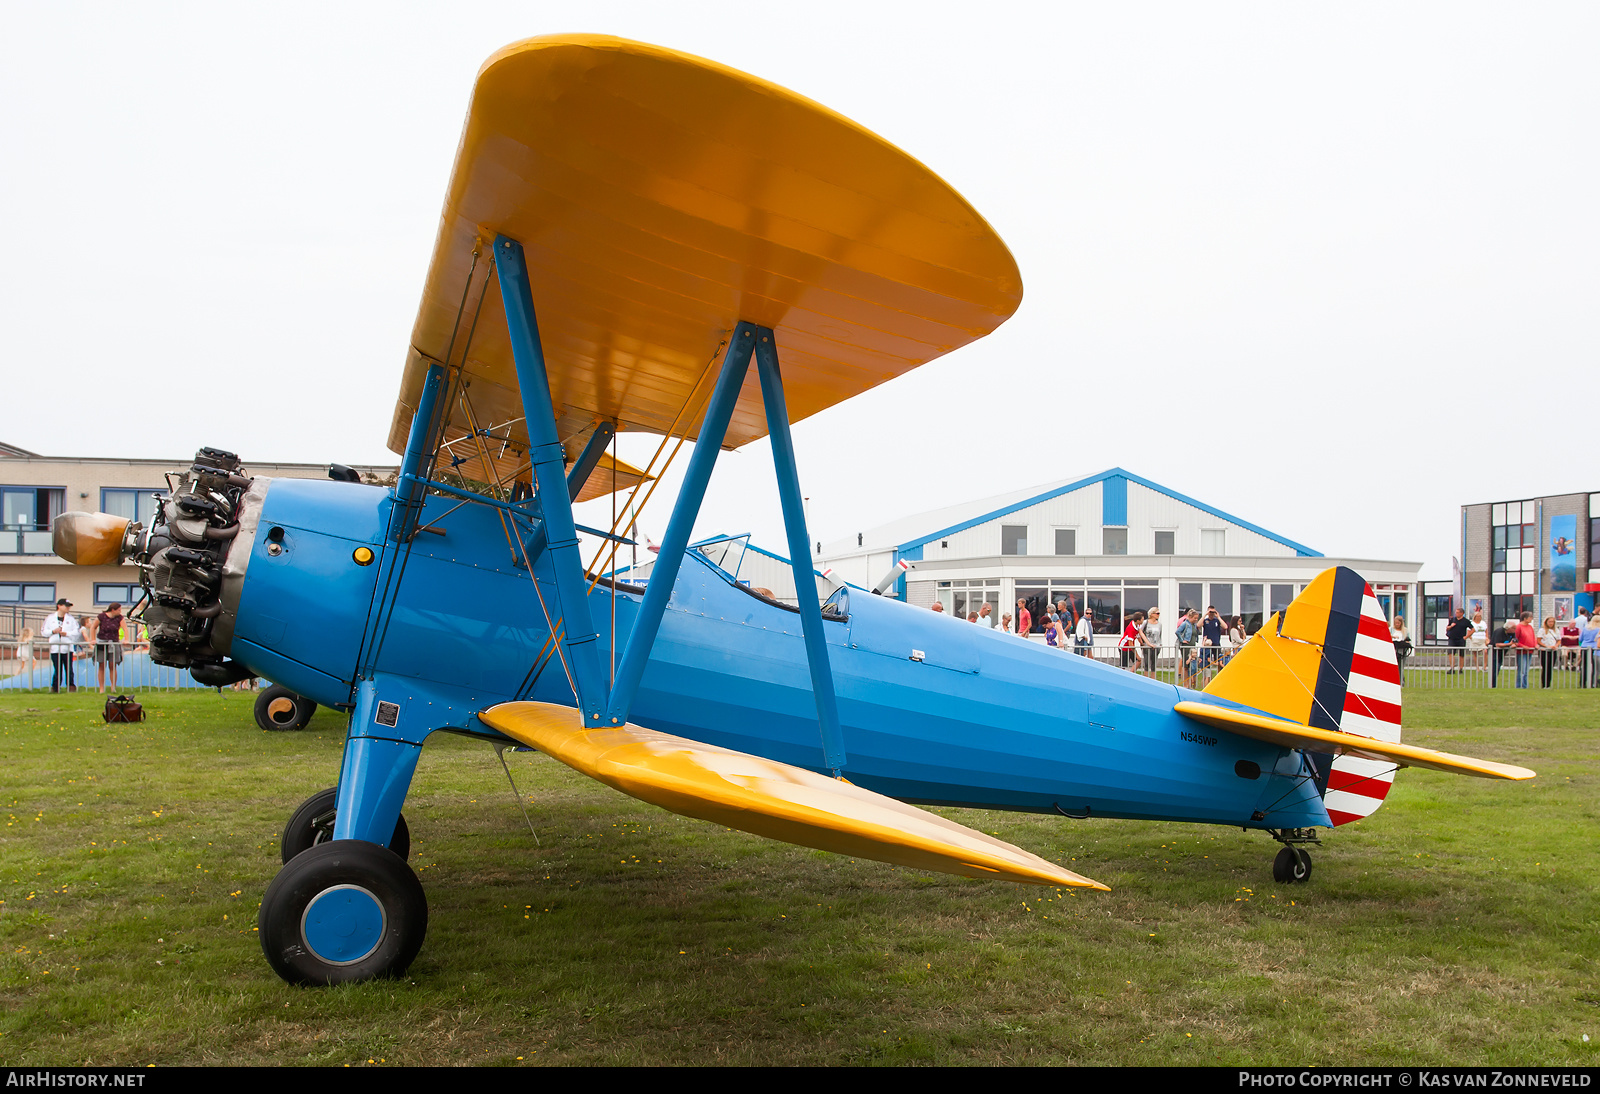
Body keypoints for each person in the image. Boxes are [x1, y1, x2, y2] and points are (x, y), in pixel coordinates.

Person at [41, 599, 80, 693]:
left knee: (69, 668)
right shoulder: (50, 618)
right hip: (55, 648)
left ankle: (70, 686)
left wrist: (66, 633)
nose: (68, 608)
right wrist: (53, 632)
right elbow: (43, 631)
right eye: (66, 606)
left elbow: (76, 632)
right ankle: (55, 687)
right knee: (57, 669)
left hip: (67, 648)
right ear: (59, 606)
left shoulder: (71, 619)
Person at [90, 603, 125, 694]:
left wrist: (127, 639)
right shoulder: (101, 617)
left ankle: (113, 687)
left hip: (114, 642)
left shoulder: (120, 618)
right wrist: (93, 639)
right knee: (101, 665)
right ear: (113, 610)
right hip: (102, 642)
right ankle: (101, 688)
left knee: (112, 665)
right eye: (119, 610)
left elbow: (125, 628)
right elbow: (93, 627)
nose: (120, 612)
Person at [1513, 611, 1537, 690]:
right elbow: (1515, 640)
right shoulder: (1519, 627)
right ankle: (1519, 686)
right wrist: (1523, 646)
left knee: (1526, 670)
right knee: (1522, 670)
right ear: (1525, 618)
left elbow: (1533, 637)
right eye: (1530, 617)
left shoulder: (1530, 627)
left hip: (1530, 651)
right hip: (1522, 652)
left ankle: (1525, 686)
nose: (1531, 619)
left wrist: (1535, 644)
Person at [1175, 609, 1199, 686]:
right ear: (1190, 617)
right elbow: (1177, 632)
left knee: (1192, 665)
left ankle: (1192, 682)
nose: (1196, 620)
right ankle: (1186, 684)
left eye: (1197, 618)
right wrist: (1182, 640)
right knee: (1186, 665)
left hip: (1192, 646)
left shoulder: (1194, 625)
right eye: (1194, 618)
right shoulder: (1185, 624)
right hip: (1186, 647)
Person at [1445, 608, 1471, 675]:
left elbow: (1473, 629)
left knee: (1461, 654)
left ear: (1462, 613)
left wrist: (1466, 637)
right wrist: (1451, 626)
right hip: (1452, 639)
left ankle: (1461, 669)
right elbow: (1447, 628)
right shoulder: (1452, 619)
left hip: (1461, 639)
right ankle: (1452, 668)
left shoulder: (1466, 621)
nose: (1456, 614)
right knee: (1451, 653)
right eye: (1456, 612)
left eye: (1457, 612)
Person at [1537, 616, 1561, 689]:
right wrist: (1546, 646)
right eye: (1550, 622)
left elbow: (1559, 640)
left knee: (1550, 667)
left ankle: (1548, 684)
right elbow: (1538, 640)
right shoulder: (1542, 630)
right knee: (1545, 667)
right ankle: (1544, 684)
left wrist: (1556, 645)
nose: (1551, 623)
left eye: (1552, 622)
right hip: (1544, 651)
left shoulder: (1556, 630)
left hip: (1553, 651)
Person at [1141, 609, 1163, 677]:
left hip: (1156, 645)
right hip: (1147, 645)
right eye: (1157, 613)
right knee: (1146, 663)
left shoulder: (1159, 624)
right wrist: (1143, 643)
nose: (1158, 615)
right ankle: (1146, 678)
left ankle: (1153, 679)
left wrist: (1160, 644)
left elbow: (1160, 634)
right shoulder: (1146, 622)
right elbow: (1140, 632)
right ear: (1152, 614)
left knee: (1154, 663)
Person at [1391, 615, 1412, 680]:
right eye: (1395, 623)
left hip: (1402, 650)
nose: (1397, 624)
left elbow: (1408, 639)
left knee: (1401, 666)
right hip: (1394, 649)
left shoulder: (1405, 630)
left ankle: (1400, 680)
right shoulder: (1391, 629)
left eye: (1398, 623)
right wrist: (1393, 637)